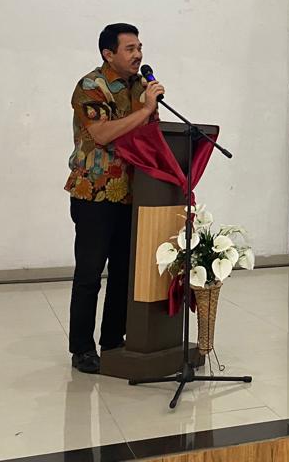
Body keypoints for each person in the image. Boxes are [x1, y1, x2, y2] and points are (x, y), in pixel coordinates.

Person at [64, 23, 164, 373]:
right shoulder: (91, 86)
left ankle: (112, 341)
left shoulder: (141, 87)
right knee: (90, 273)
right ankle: (82, 348)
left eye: (140, 47)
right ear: (109, 54)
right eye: (130, 49)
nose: (138, 54)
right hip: (95, 193)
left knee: (124, 271)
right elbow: (103, 134)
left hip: (134, 193)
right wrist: (144, 111)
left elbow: (152, 135)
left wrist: (151, 109)